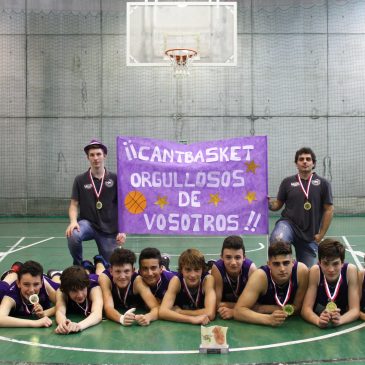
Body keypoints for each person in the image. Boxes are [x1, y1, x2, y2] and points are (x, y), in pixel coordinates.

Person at [269, 147, 334, 267]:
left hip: (310, 235)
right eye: (301, 159)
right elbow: (278, 204)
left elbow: (329, 209)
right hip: (288, 225)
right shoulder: (287, 182)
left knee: (307, 272)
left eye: (308, 159)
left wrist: (321, 235)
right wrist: (268, 203)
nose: (305, 161)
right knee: (277, 240)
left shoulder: (323, 184)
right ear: (296, 163)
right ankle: (285, 268)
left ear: (313, 163)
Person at [66, 139, 126, 266]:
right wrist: (73, 221)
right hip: (88, 224)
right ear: (88, 158)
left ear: (104, 156)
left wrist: (123, 230)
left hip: (109, 229)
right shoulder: (80, 179)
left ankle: (100, 262)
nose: (95, 158)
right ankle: (78, 265)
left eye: (98, 154)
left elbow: (123, 206)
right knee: (73, 235)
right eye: (92, 155)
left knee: (112, 266)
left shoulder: (115, 178)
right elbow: (74, 204)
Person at [233, 241, 308, 327]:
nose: (282, 269)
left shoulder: (301, 272)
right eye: (276, 264)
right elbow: (238, 311)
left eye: (286, 263)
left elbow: (298, 307)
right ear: (268, 264)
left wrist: (263, 308)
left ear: (293, 262)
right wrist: (268, 319)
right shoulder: (260, 277)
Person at [301, 239, 359, 328]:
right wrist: (318, 321)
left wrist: (341, 320)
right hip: (319, 314)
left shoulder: (350, 271)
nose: (331, 269)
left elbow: (355, 309)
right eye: (325, 263)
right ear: (319, 262)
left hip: (342, 317)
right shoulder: (315, 271)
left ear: (342, 263)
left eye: (335, 264)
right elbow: (305, 309)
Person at [98, 248, 159, 326]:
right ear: (111, 271)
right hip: (102, 274)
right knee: (98, 272)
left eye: (127, 271)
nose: (122, 276)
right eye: (118, 271)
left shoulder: (137, 281)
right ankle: (98, 262)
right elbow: (108, 308)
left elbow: (156, 307)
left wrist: (148, 317)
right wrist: (121, 318)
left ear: (133, 271)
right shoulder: (105, 278)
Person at [159, 248, 216, 325]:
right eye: (188, 270)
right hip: (171, 275)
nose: (192, 275)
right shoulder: (176, 281)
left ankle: (211, 264)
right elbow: (162, 312)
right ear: (182, 269)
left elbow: (210, 314)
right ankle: (165, 263)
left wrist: (181, 312)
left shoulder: (207, 280)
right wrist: (192, 319)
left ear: (202, 269)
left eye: (197, 270)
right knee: (165, 271)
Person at [0, 261, 58, 328]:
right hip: (7, 286)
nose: (31, 290)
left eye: (36, 284)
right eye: (26, 284)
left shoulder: (45, 285)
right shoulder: (11, 295)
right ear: (18, 283)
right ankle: (13, 272)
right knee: (2, 288)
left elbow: (64, 304)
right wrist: (35, 323)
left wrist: (45, 313)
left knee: (60, 285)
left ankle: (55, 274)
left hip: (42, 279)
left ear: (41, 283)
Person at [211, 235, 256, 319]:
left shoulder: (251, 269)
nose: (233, 263)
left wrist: (232, 309)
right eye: (228, 257)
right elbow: (216, 304)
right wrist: (242, 308)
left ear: (244, 257)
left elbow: (255, 305)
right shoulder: (217, 269)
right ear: (221, 257)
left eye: (237, 257)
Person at [55, 266, 103, 334]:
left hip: (95, 277)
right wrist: (63, 323)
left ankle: (98, 262)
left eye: (83, 288)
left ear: (86, 286)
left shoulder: (94, 288)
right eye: (74, 291)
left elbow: (97, 314)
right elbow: (60, 311)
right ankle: (54, 273)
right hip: (81, 279)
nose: (80, 295)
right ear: (66, 290)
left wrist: (79, 326)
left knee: (100, 272)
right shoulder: (61, 292)